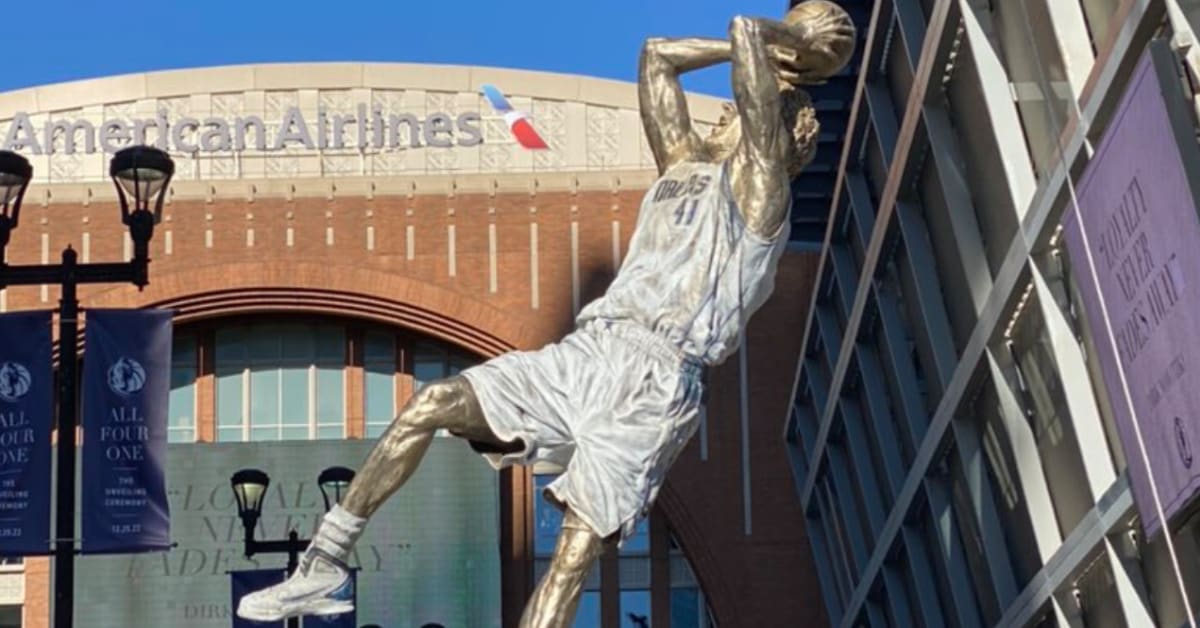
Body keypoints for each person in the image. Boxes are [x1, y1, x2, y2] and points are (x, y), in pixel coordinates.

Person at [236, 2, 854, 626]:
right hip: (592, 349)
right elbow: (656, 56)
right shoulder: (682, 171)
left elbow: (747, 36)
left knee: (571, 555)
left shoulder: (758, 194)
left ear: (767, 131)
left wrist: (792, 43)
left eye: (740, 112)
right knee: (434, 403)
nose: (723, 112)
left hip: (657, 382)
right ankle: (324, 561)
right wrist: (763, 47)